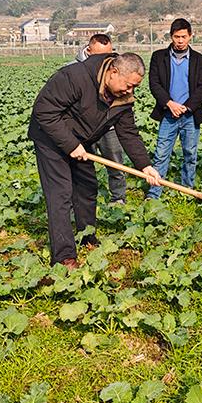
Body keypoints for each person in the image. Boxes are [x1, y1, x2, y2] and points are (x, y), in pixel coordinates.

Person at [28, 52, 161, 269]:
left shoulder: (122, 96)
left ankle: (86, 236)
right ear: (113, 72)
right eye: (128, 85)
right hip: (50, 138)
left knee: (87, 187)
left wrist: (145, 165)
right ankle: (64, 256)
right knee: (60, 194)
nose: (130, 91)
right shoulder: (74, 77)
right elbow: (44, 111)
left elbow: (128, 132)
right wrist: (70, 144)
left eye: (135, 87)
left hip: (81, 141)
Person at [147, 18, 202, 199]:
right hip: (168, 113)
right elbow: (154, 84)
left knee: (190, 154)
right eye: (177, 37)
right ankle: (154, 193)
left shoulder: (200, 60)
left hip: (190, 115)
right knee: (161, 153)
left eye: (184, 36)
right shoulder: (159, 57)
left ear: (190, 36)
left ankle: (187, 190)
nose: (180, 41)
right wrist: (169, 103)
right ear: (171, 36)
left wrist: (187, 107)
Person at [69, 33, 127, 204]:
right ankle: (83, 200)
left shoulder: (115, 70)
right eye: (100, 55)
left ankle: (118, 198)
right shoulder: (72, 70)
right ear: (88, 50)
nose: (104, 60)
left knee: (116, 163)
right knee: (82, 166)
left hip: (108, 126)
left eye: (108, 55)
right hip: (82, 129)